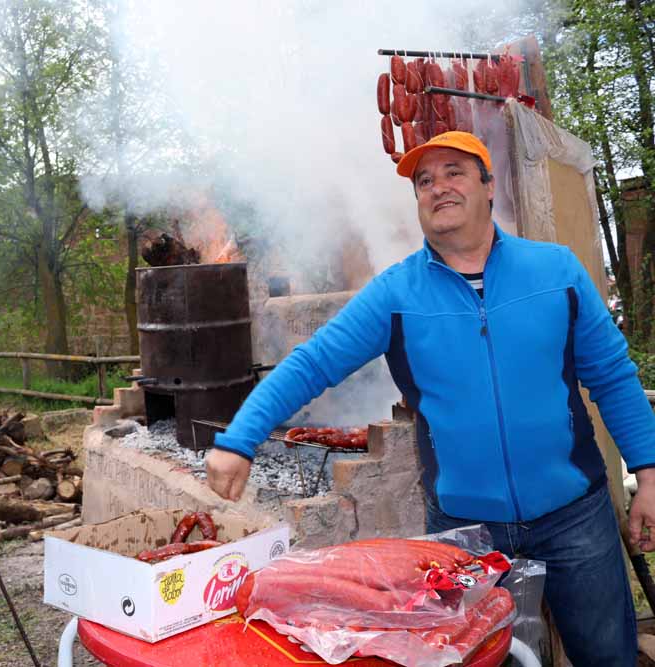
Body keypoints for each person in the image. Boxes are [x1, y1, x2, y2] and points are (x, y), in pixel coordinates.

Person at [206, 131, 655, 666]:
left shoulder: (556, 271)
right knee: (487, 661)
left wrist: (648, 472)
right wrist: (241, 437)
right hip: (464, 538)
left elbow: (612, 375)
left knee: (608, 656)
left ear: (489, 188)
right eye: (424, 180)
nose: (438, 186)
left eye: (454, 172)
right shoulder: (396, 294)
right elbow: (313, 363)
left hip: (576, 520)